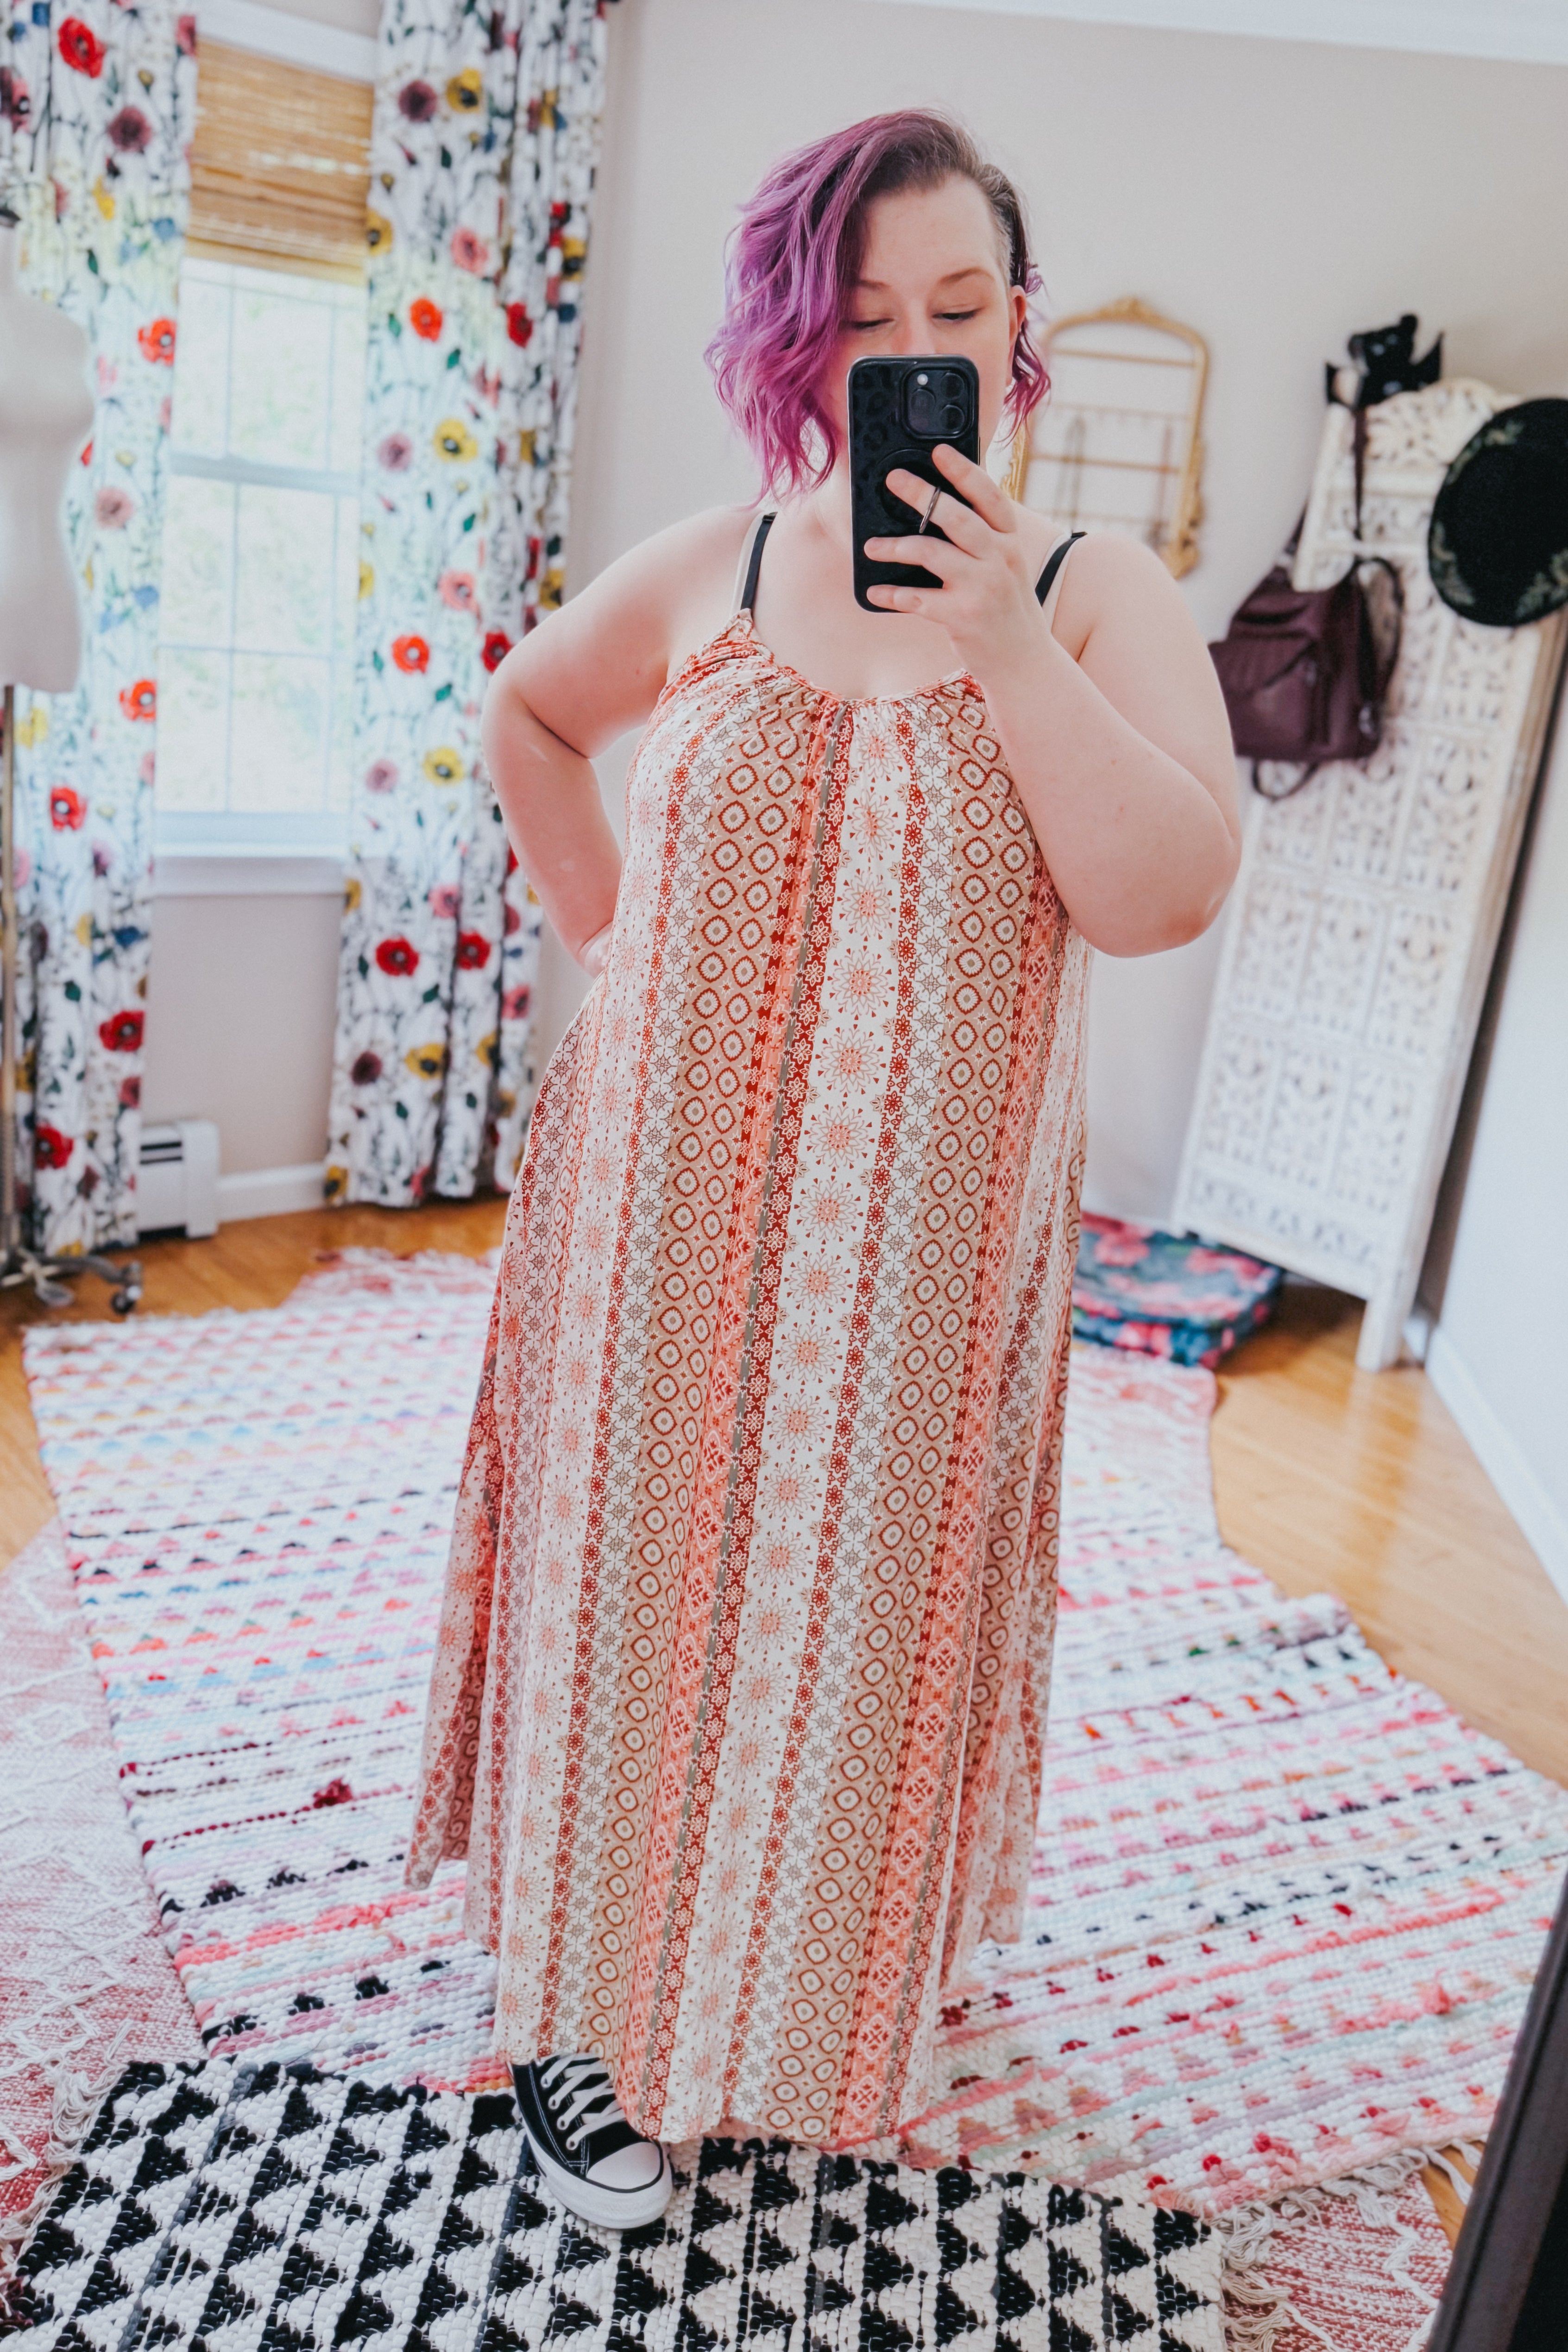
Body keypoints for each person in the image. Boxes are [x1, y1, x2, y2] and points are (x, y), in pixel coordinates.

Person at [406, 109, 1239, 2231]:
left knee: (852, 1623)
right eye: (867, 320)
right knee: (629, 1611)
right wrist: (625, 953)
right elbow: (524, 715)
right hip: (650, 1222)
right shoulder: (712, 564)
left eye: (956, 310)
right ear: (802, 340)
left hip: (920, 1264)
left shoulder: (1089, 592)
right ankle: (588, 2028)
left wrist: (1008, 641)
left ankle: (795, 2000)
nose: (913, 352)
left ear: (1018, 330)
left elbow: (1164, 892)